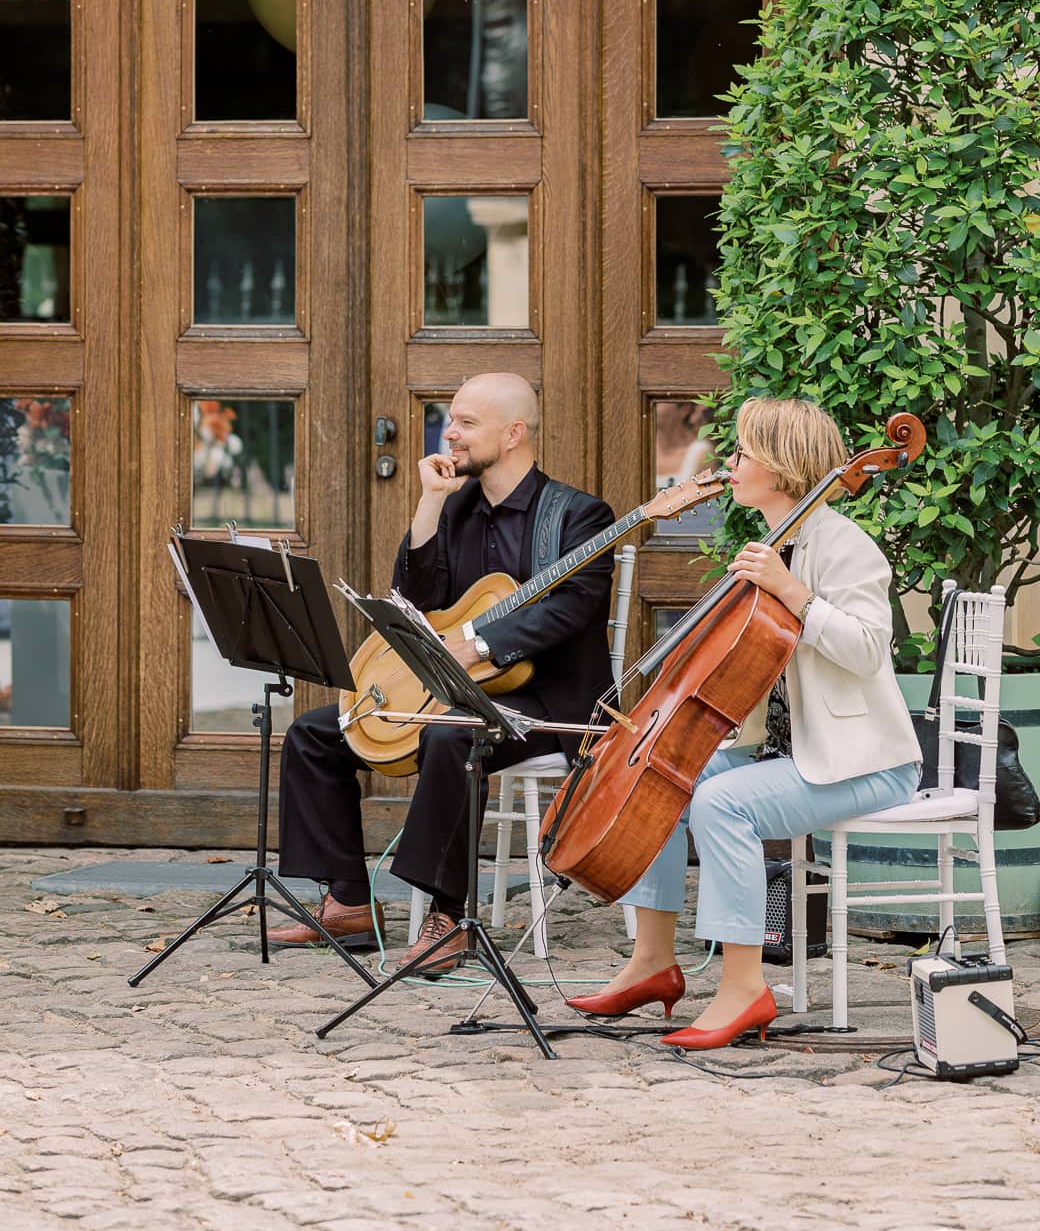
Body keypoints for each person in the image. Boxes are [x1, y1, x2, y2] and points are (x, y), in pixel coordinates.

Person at [565, 396, 921, 1051]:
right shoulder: (775, 543)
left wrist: (792, 591)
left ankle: (743, 985)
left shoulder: (845, 548)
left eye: (743, 453)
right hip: (786, 753)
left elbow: (869, 648)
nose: (730, 463)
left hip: (864, 762)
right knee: (663, 779)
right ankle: (652, 960)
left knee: (722, 802)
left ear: (782, 470)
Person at [271, 371, 615, 974]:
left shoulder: (579, 516)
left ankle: (447, 915)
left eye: (466, 423)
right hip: (456, 693)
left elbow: (569, 610)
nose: (449, 434)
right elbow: (415, 598)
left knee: (451, 737)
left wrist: (478, 644)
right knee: (317, 733)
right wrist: (429, 503)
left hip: (546, 704)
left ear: (514, 434)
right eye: (450, 420)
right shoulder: (455, 509)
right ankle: (349, 899)